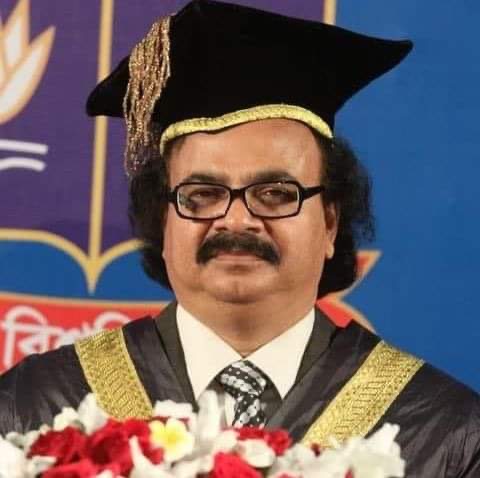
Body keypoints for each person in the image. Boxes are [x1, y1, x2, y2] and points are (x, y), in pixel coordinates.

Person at [1, 0, 479, 475]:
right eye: (201, 195)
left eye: (275, 194)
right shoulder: (36, 408)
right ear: (163, 222)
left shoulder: (444, 435)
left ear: (330, 222)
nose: (236, 220)